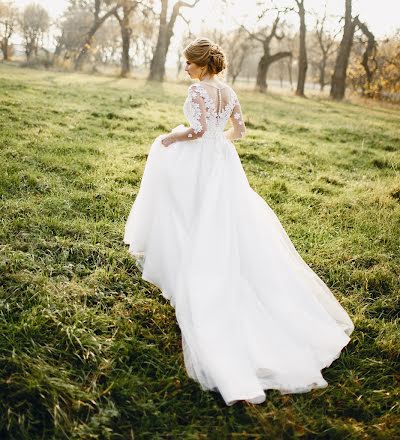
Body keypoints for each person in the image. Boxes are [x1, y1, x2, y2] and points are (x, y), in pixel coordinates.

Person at [123, 37, 354, 406]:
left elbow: (196, 131)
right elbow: (239, 132)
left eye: (187, 62)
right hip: (224, 162)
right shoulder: (229, 91)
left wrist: (171, 138)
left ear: (200, 65)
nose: (185, 68)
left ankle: (197, 273)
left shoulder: (198, 90)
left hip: (202, 161)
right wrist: (220, 142)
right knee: (227, 221)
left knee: (190, 211)